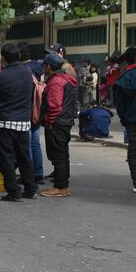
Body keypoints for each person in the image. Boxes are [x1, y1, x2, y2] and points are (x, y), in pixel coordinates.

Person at [0, 43, 37, 202]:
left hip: (4, 122)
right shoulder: (28, 73)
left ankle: (13, 191)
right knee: (24, 157)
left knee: (6, 159)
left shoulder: (0, 76)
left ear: (3, 57)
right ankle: (31, 188)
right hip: (23, 122)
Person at [39, 53, 77, 197]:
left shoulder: (56, 82)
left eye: (44, 65)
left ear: (49, 66)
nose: (43, 68)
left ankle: (60, 187)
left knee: (58, 156)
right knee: (63, 155)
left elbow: (55, 106)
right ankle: (63, 185)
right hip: (65, 122)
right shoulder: (67, 79)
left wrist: (49, 122)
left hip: (57, 123)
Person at [19, 42, 46, 184]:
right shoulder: (39, 67)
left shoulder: (23, 69)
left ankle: (28, 175)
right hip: (39, 109)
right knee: (35, 143)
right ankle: (39, 173)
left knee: (27, 143)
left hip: (27, 109)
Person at [114, 47, 136, 193]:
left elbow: (119, 104)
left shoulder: (123, 78)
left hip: (132, 119)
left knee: (134, 149)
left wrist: (124, 119)